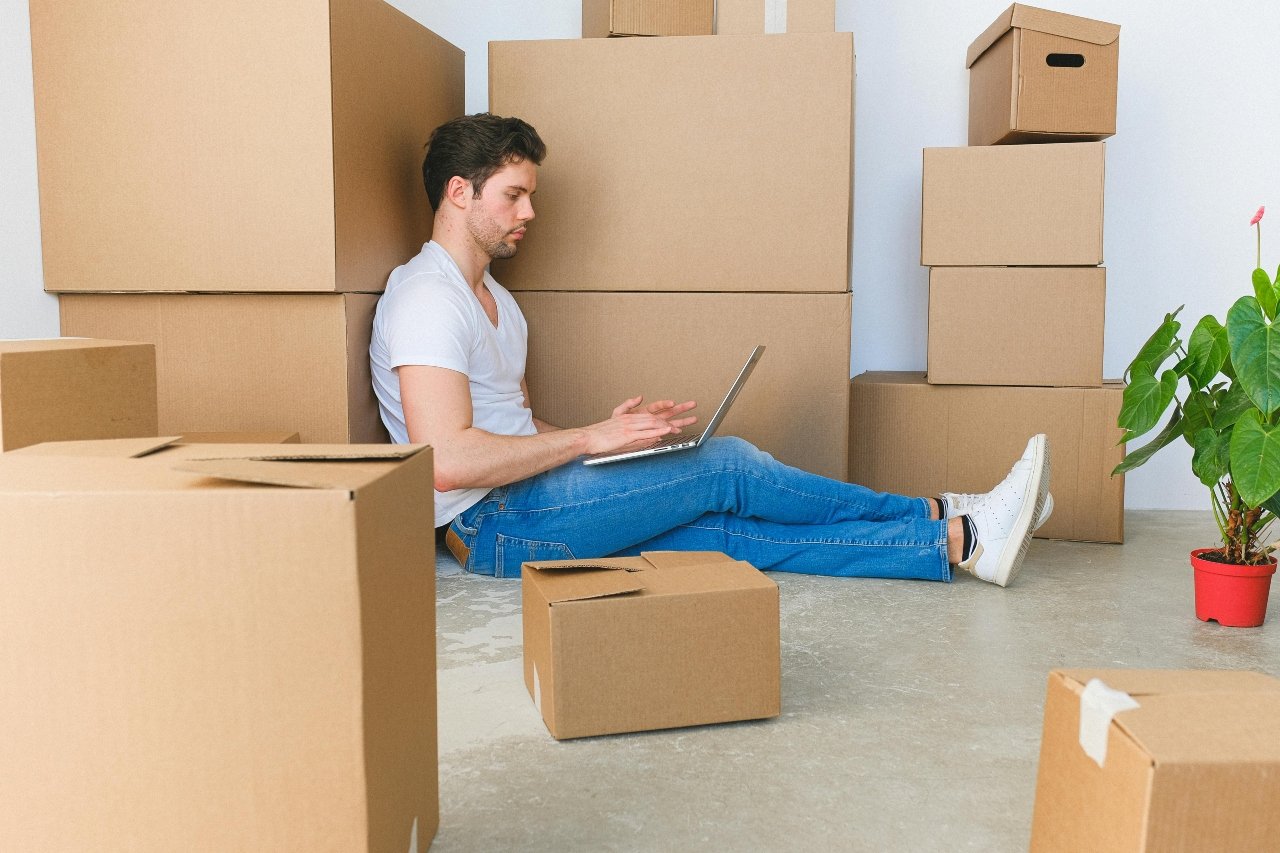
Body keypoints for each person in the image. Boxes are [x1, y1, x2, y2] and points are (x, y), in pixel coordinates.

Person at [370, 113, 1052, 587]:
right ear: (460, 192)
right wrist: (586, 438)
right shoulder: (428, 298)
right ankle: (933, 510)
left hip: (530, 501)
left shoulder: (497, 301)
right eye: (514, 195)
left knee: (726, 536)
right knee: (727, 466)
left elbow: (509, 429)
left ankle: (959, 540)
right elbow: (449, 463)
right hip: (494, 527)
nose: (530, 213)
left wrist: (617, 442)